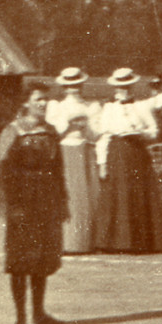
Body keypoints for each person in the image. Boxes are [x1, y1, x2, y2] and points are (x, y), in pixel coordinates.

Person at [0, 80, 67, 324]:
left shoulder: (50, 131)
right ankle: (20, 318)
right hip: (23, 200)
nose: (43, 104)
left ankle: (39, 312)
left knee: (42, 257)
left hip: (46, 199)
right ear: (26, 102)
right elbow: (5, 170)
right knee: (20, 258)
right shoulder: (13, 131)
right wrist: (14, 204)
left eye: (45, 99)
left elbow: (58, 168)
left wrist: (63, 201)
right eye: (38, 99)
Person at [92, 68, 162, 254]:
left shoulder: (141, 106)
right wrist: (102, 163)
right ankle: (113, 242)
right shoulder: (109, 108)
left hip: (136, 153)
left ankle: (140, 242)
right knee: (116, 195)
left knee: (137, 194)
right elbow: (104, 136)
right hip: (116, 153)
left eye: (126, 86)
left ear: (132, 86)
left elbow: (154, 131)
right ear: (115, 88)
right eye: (120, 87)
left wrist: (141, 133)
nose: (123, 90)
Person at [45, 68, 100, 254]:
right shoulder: (56, 106)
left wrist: (86, 127)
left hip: (84, 150)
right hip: (64, 150)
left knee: (86, 196)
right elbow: (53, 133)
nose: (73, 89)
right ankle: (66, 242)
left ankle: (85, 242)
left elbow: (95, 135)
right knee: (67, 194)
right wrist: (69, 122)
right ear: (64, 87)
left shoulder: (90, 106)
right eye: (69, 86)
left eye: (76, 85)